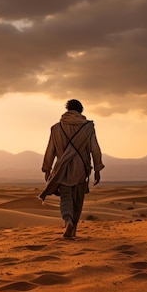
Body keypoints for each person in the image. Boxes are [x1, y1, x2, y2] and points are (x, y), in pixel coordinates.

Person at [40, 99, 104, 238]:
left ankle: (67, 221)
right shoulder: (88, 127)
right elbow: (95, 149)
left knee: (66, 199)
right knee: (78, 201)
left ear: (67, 110)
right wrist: (98, 170)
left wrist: (47, 169)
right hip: (81, 170)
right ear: (81, 111)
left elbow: (50, 150)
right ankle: (73, 229)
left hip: (62, 170)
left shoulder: (56, 128)